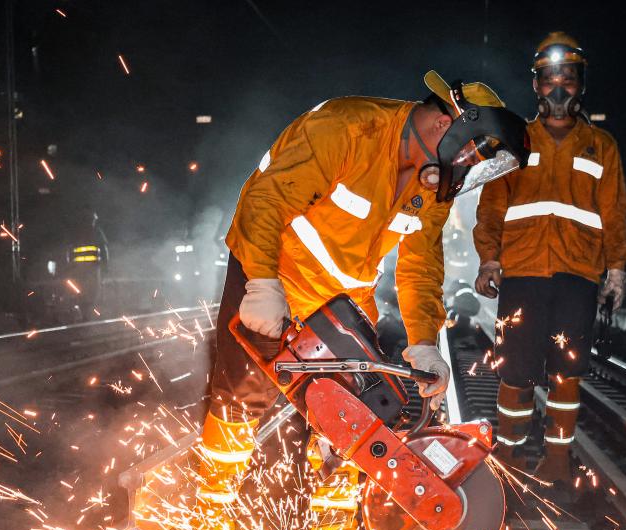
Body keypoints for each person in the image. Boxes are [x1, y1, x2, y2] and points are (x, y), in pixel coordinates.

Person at [198, 71, 529, 505]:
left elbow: (420, 264)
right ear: (448, 125)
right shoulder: (347, 129)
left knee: (358, 413)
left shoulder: (433, 186)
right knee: (240, 397)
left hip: (345, 298)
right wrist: (261, 281)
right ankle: (210, 516)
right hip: (276, 273)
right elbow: (266, 199)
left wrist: (425, 342)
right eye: (473, 156)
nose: (468, 169)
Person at [472, 32, 626, 484]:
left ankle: (558, 462)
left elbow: (615, 211)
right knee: (515, 370)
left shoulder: (602, 146)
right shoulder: (515, 142)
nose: (559, 89)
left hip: (578, 275)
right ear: (536, 85)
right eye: (549, 79)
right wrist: (489, 259)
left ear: (581, 85)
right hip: (522, 271)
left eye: (568, 79)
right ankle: (511, 457)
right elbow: (492, 206)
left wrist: (616, 270)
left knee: (567, 370)